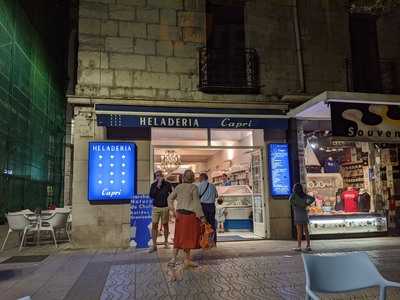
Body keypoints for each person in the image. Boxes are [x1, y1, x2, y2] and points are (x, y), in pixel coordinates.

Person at [167, 169, 205, 268]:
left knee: (178, 237)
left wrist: (173, 210)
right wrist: (202, 217)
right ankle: (186, 260)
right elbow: (196, 203)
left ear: (183, 177)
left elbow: (169, 198)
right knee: (188, 238)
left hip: (180, 215)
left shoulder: (179, 187)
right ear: (193, 178)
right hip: (190, 217)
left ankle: (174, 259)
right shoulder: (194, 187)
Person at [149, 170, 172, 253]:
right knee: (154, 224)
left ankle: (166, 242)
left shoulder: (168, 184)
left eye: (160, 175)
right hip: (156, 208)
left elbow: (172, 195)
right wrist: (157, 186)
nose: (159, 177)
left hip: (165, 207)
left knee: (165, 224)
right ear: (156, 177)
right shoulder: (153, 185)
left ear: (163, 176)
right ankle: (154, 245)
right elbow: (151, 195)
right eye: (157, 175)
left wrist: (171, 205)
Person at [289, 183, 315, 252]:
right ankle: (308, 246)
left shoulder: (293, 195)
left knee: (299, 231)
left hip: (297, 214)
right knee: (306, 231)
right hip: (304, 214)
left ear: (295, 189)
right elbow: (312, 199)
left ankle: (299, 246)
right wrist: (306, 203)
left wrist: (298, 204)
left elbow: (290, 200)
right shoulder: (304, 196)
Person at [197, 173, 218, 243]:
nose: (198, 179)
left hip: (203, 206)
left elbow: (197, 196)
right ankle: (213, 241)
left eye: (199, 177)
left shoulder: (199, 186)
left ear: (202, 178)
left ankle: (204, 241)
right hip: (212, 206)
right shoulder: (213, 186)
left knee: (203, 224)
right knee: (212, 224)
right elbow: (216, 196)